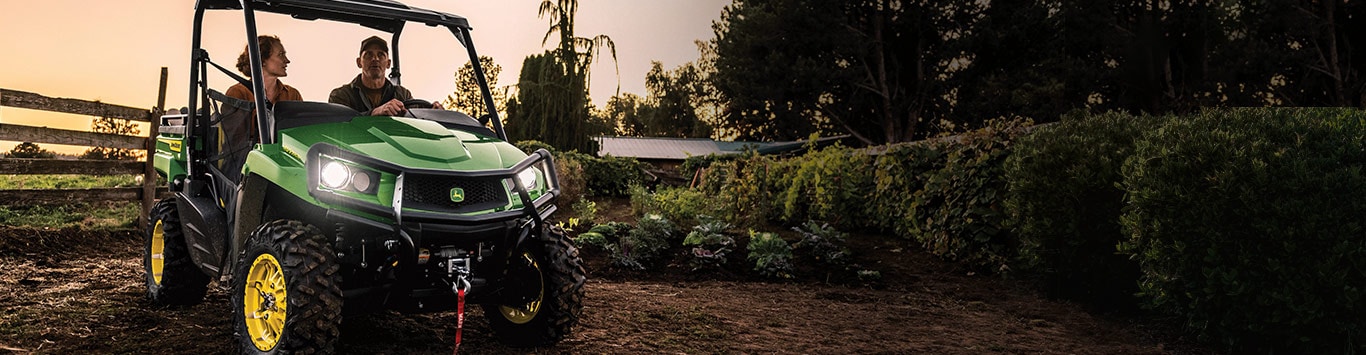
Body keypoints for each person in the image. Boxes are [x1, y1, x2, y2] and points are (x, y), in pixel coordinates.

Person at [329, 36, 440, 116]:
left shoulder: (403, 94)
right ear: (359, 62)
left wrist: (433, 113)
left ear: (388, 63)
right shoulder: (341, 95)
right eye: (369, 55)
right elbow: (339, 126)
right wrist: (375, 112)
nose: (375, 59)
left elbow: (416, 118)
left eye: (381, 55)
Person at [226, 35, 303, 106]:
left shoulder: (293, 94)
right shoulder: (238, 93)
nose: (287, 60)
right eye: (281, 54)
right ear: (262, 60)